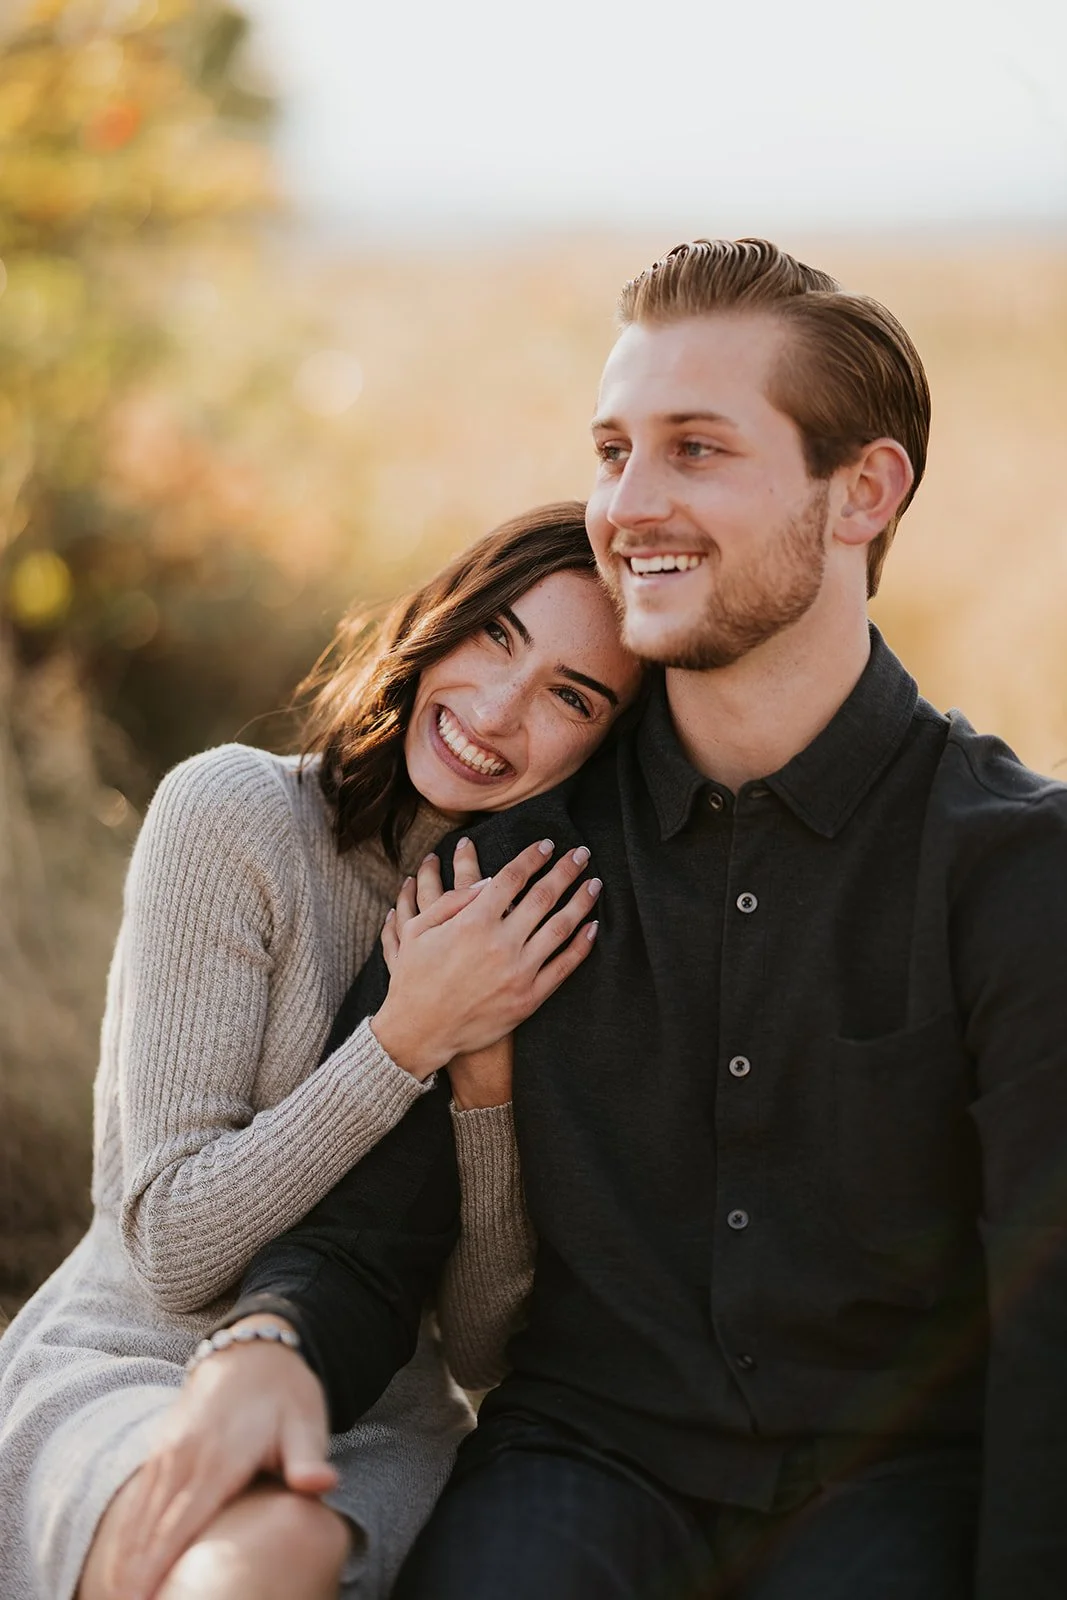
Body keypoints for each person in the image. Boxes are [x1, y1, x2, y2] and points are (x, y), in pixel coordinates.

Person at [100, 238, 1067, 1600]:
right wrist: (265, 1346)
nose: (628, 503)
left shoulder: (1016, 865)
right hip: (578, 1469)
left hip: (889, 1489)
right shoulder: (509, 853)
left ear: (860, 492)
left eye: (692, 450)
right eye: (612, 449)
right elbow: (369, 1242)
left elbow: (1047, 1318)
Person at [0, 502, 643, 1600]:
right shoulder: (236, 815)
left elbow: (484, 1346)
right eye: (496, 634)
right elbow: (171, 1242)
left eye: (569, 696)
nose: (495, 710)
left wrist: (484, 1079)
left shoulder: (538, 929)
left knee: (294, 1547)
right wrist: (403, 1041)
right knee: (250, 1561)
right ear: (439, 620)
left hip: (375, 1420)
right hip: (136, 1360)